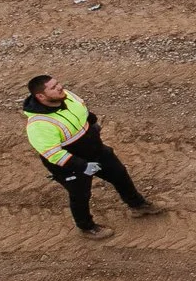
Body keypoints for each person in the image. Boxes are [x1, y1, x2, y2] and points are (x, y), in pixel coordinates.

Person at [22, 75, 163, 241]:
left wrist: (92, 123)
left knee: (119, 174)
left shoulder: (67, 96)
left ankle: (138, 205)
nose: (60, 87)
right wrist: (83, 166)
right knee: (80, 195)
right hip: (69, 164)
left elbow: (83, 110)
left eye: (57, 83)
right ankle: (86, 227)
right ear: (41, 96)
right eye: (53, 88)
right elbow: (54, 154)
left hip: (95, 150)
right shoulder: (39, 125)